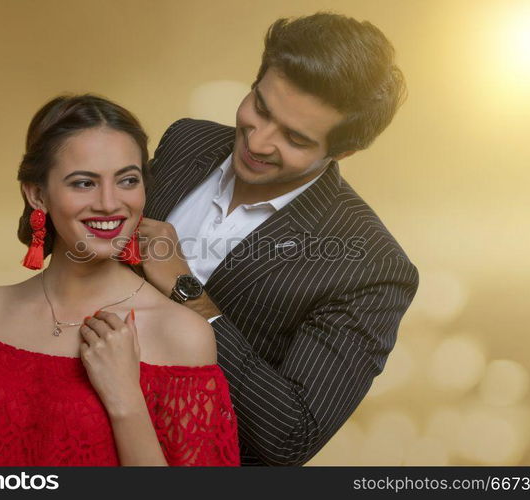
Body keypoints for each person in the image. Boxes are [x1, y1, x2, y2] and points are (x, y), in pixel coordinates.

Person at [110, 13, 420, 465]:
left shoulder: (371, 266)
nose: (258, 142)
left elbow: (290, 435)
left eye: (294, 137)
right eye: (260, 107)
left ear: (343, 151)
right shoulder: (186, 140)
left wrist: (186, 290)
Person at [0, 94, 240, 466]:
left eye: (127, 180)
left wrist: (126, 402)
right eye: (84, 183)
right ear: (37, 194)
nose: (110, 203)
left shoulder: (180, 334)